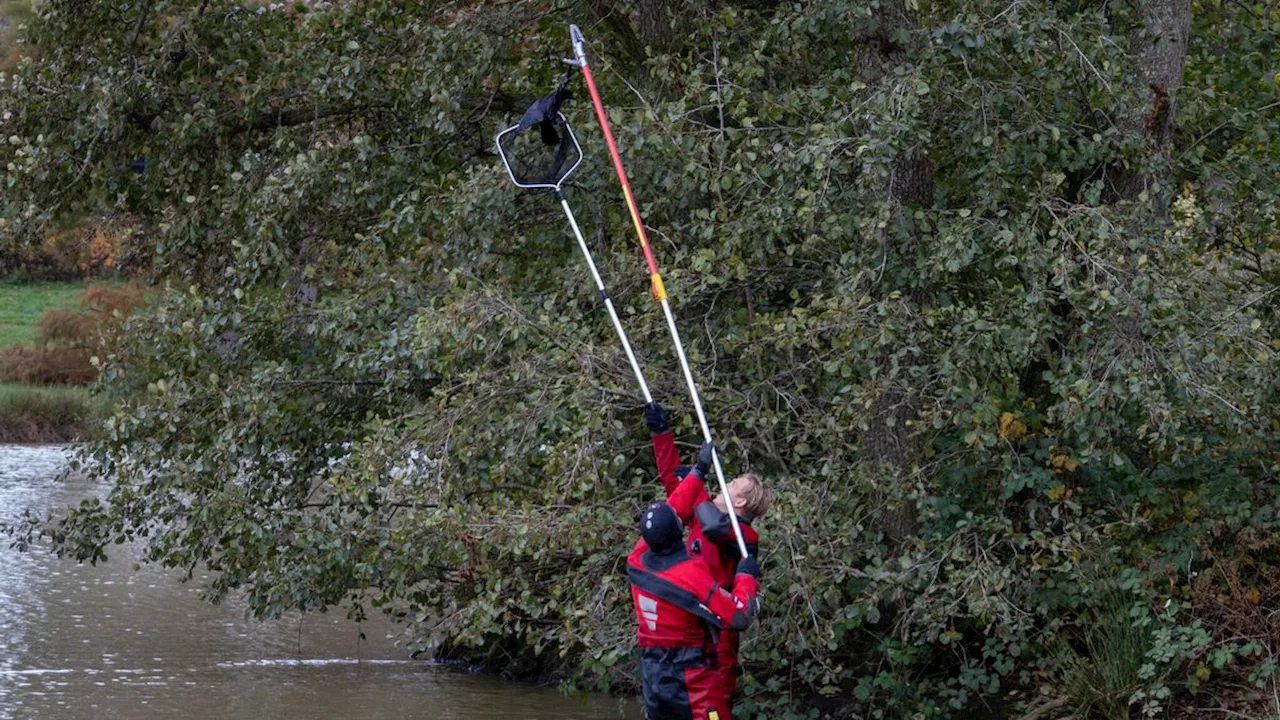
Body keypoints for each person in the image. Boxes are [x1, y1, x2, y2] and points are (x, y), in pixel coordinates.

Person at [644, 401, 773, 718]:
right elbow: (674, 485)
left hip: (718, 632)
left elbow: (724, 530)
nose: (724, 486)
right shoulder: (706, 515)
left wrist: (700, 486)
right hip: (685, 629)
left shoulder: (744, 537)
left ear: (740, 500)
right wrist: (662, 434)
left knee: (718, 704)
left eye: (732, 486)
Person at [628, 499, 761, 720]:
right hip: (694, 679)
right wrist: (745, 576)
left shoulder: (636, 560)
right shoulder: (691, 575)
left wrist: (698, 472)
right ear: (678, 531)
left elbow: (678, 504)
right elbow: (739, 616)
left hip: (654, 677)